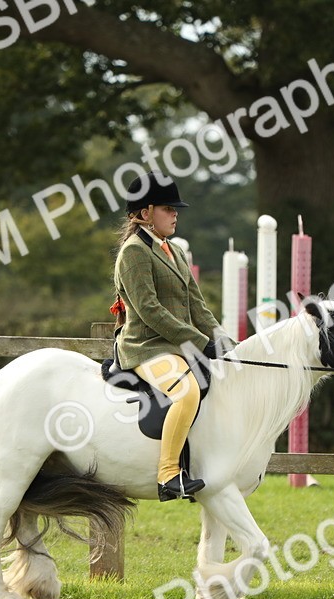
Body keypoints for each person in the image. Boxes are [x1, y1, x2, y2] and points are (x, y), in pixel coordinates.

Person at [111, 172, 234, 502]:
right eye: (168, 208)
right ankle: (168, 474)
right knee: (186, 391)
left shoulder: (174, 251)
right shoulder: (134, 253)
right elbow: (150, 310)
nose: (176, 213)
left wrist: (221, 337)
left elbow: (196, 303)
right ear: (146, 212)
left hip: (176, 346)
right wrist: (199, 342)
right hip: (146, 347)